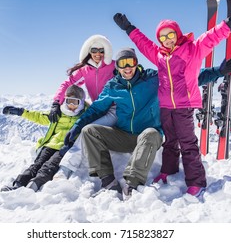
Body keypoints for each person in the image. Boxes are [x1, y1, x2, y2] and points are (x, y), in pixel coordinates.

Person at [113, 3, 231, 198]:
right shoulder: (159, 55)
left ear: (177, 34)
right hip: (165, 106)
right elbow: (143, 43)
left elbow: (212, 37)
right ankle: (168, 171)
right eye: (162, 37)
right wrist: (129, 28)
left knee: (188, 144)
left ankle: (197, 181)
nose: (167, 40)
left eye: (170, 35)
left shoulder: (193, 49)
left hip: (184, 106)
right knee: (170, 142)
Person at [63, 48, 163, 200]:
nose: (127, 67)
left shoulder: (151, 78)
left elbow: (180, 78)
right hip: (123, 136)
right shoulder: (113, 86)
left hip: (147, 137)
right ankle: (108, 182)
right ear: (118, 67)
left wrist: (211, 73)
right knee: (89, 131)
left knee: (151, 133)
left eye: (131, 62)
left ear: (136, 63)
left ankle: (132, 185)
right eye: (123, 63)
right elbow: (96, 108)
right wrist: (77, 125)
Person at [49, 35, 118, 179]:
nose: (98, 54)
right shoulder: (85, 70)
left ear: (106, 51)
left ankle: (66, 167)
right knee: (80, 128)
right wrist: (56, 102)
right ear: (88, 51)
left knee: (87, 131)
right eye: (94, 50)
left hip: (114, 108)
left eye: (101, 50)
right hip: (98, 109)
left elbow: (130, 72)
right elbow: (68, 83)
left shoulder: (113, 66)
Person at [0, 85, 86, 192]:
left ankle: (34, 185)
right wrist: (20, 112)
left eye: (75, 102)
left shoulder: (85, 114)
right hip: (50, 145)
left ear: (81, 102)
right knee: (36, 165)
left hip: (65, 147)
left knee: (49, 166)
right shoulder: (59, 112)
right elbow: (39, 116)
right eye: (69, 101)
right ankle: (18, 184)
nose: (71, 105)